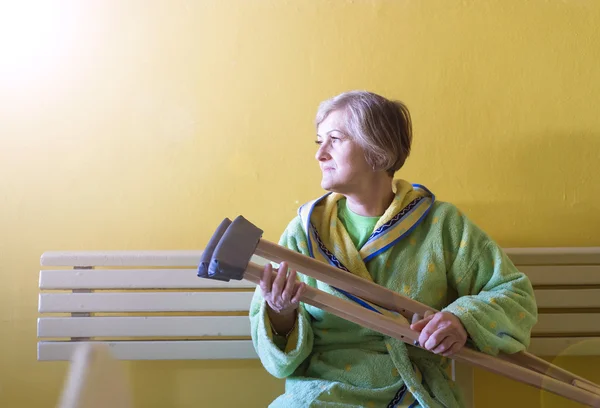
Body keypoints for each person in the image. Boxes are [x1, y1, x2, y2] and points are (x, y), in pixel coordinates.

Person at [249, 90, 538, 408]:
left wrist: (461, 320)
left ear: (377, 150)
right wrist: (281, 313)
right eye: (320, 142)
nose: (320, 155)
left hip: (413, 387)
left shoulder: (440, 225)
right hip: (324, 392)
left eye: (335, 139)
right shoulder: (303, 234)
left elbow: (514, 293)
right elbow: (280, 361)